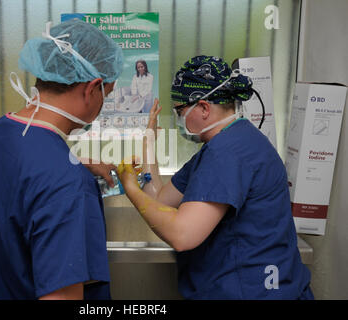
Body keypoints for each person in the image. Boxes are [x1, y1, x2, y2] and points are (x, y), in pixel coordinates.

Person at [117, 55, 314, 300]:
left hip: (254, 292)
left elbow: (182, 235)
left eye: (180, 111)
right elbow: (160, 201)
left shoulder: (228, 154)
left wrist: (131, 189)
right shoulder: (224, 144)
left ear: (203, 108)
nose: (178, 119)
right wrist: (148, 142)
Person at [0, 19, 123, 300]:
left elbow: (21, 178)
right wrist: (69, 171)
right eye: (106, 96)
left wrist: (71, 162)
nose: (102, 106)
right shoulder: (68, 182)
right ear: (92, 88)